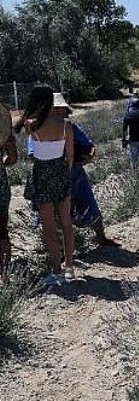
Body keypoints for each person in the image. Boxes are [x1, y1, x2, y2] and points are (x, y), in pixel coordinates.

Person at [27, 94, 120, 248]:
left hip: (76, 175)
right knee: (53, 215)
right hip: (51, 178)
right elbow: (32, 154)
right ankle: (57, 250)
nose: (58, 112)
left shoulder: (72, 127)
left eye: (61, 109)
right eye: (54, 109)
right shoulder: (39, 129)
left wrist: (89, 156)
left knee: (90, 206)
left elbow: (90, 145)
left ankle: (101, 238)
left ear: (66, 111)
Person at [15, 86, 74, 285]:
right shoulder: (66, 124)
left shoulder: (32, 125)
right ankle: (70, 267)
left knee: (49, 227)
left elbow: (21, 124)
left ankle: (56, 271)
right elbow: (70, 158)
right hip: (61, 171)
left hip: (42, 173)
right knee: (66, 224)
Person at [0, 103, 17, 268]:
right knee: (2, 230)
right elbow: (12, 160)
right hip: (1, 187)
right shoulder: (4, 133)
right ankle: (4, 271)